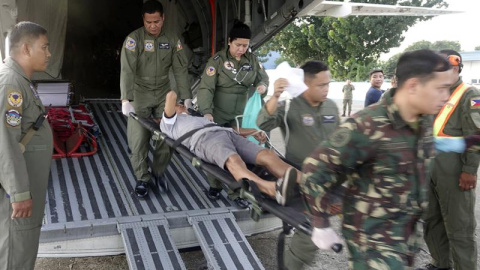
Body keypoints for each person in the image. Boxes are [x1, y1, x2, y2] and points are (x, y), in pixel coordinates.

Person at [301, 49, 453, 269]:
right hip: (372, 243)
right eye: (441, 88)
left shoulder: (424, 121)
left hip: (405, 237)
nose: (446, 97)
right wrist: (320, 223)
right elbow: (315, 170)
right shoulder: (367, 125)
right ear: (412, 86)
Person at [256, 60, 340, 269]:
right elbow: (263, 123)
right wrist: (275, 95)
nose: (326, 89)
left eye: (328, 84)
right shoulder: (289, 106)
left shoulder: (330, 106)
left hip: (331, 180)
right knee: (310, 233)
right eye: (321, 85)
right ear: (306, 84)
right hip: (301, 178)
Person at [161, 90, 297, 205]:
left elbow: (227, 128)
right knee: (235, 161)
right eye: (178, 105)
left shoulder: (198, 118)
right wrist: (184, 100)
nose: (181, 105)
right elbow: (171, 95)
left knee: (267, 154)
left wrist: (253, 131)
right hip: (204, 140)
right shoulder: (168, 122)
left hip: (227, 133)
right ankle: (272, 190)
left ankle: (304, 182)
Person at [120, 0, 191, 198]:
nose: (153, 26)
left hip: (162, 93)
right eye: (149, 22)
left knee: (168, 135)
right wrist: (126, 99)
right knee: (138, 139)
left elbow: (180, 69)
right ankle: (142, 178)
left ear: (163, 18)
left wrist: (186, 97)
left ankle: (159, 172)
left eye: (157, 21)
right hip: (140, 93)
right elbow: (127, 71)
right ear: (143, 19)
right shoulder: (134, 40)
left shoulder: (172, 39)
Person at [196, 20, 269, 208]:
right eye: (238, 45)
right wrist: (207, 112)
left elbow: (263, 77)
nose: (241, 49)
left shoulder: (252, 60)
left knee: (237, 154)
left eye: (245, 45)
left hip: (239, 117)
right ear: (229, 41)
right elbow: (205, 89)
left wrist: (263, 86)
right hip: (218, 116)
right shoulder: (217, 61)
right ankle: (214, 185)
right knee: (215, 152)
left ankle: (236, 192)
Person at [420, 49, 480, 270]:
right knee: (432, 220)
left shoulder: (469, 95)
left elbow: (476, 135)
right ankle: (441, 263)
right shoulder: (433, 93)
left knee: (459, 227)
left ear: (456, 67)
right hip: (428, 167)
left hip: (454, 168)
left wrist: (470, 170)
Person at [0, 21, 53, 270]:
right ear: (26, 48)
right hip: (16, 197)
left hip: (22, 190)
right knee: (15, 254)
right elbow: (5, 143)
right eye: (45, 47)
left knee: (22, 249)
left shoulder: (20, 81)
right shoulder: (11, 84)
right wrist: (19, 193)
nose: (49, 53)